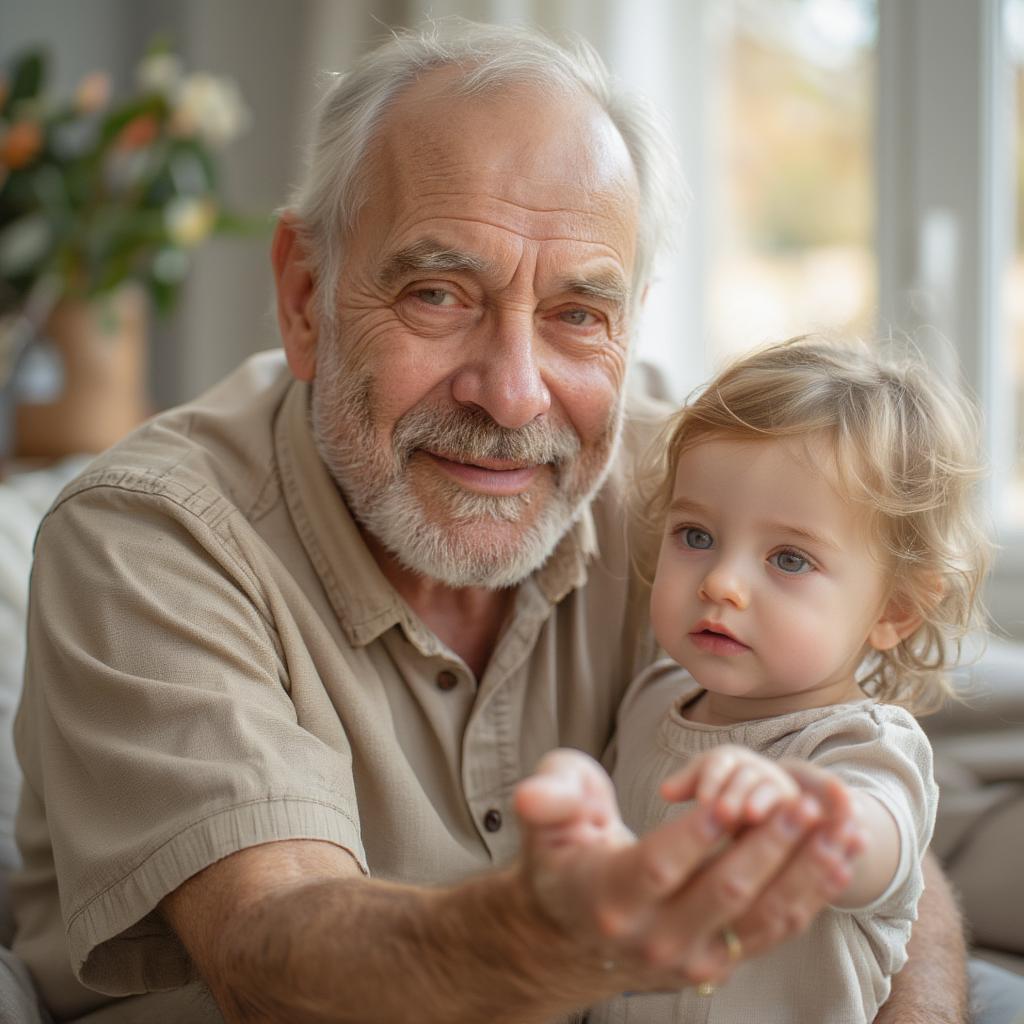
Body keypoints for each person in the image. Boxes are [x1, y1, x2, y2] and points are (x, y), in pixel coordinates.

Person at [5, 21, 989, 1024]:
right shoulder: (151, 537)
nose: (515, 395)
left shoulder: (685, 494)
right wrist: (543, 938)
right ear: (305, 297)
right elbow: (272, 951)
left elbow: (871, 815)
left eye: (577, 314)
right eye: (438, 293)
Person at [574, 338, 989, 1024]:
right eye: (696, 535)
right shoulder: (652, 696)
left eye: (789, 559)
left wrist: (807, 815)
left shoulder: (863, 744)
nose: (721, 582)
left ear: (894, 610)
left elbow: (876, 849)